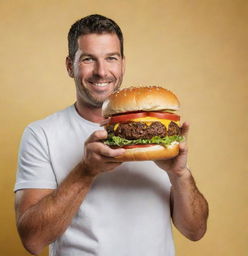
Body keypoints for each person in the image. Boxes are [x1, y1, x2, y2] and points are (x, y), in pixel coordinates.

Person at [14, 14, 208, 256]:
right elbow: (32, 241)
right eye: (88, 59)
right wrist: (86, 170)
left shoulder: (156, 137)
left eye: (111, 58)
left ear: (123, 64)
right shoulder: (41, 134)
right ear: (69, 66)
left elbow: (195, 231)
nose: (101, 71)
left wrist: (179, 174)